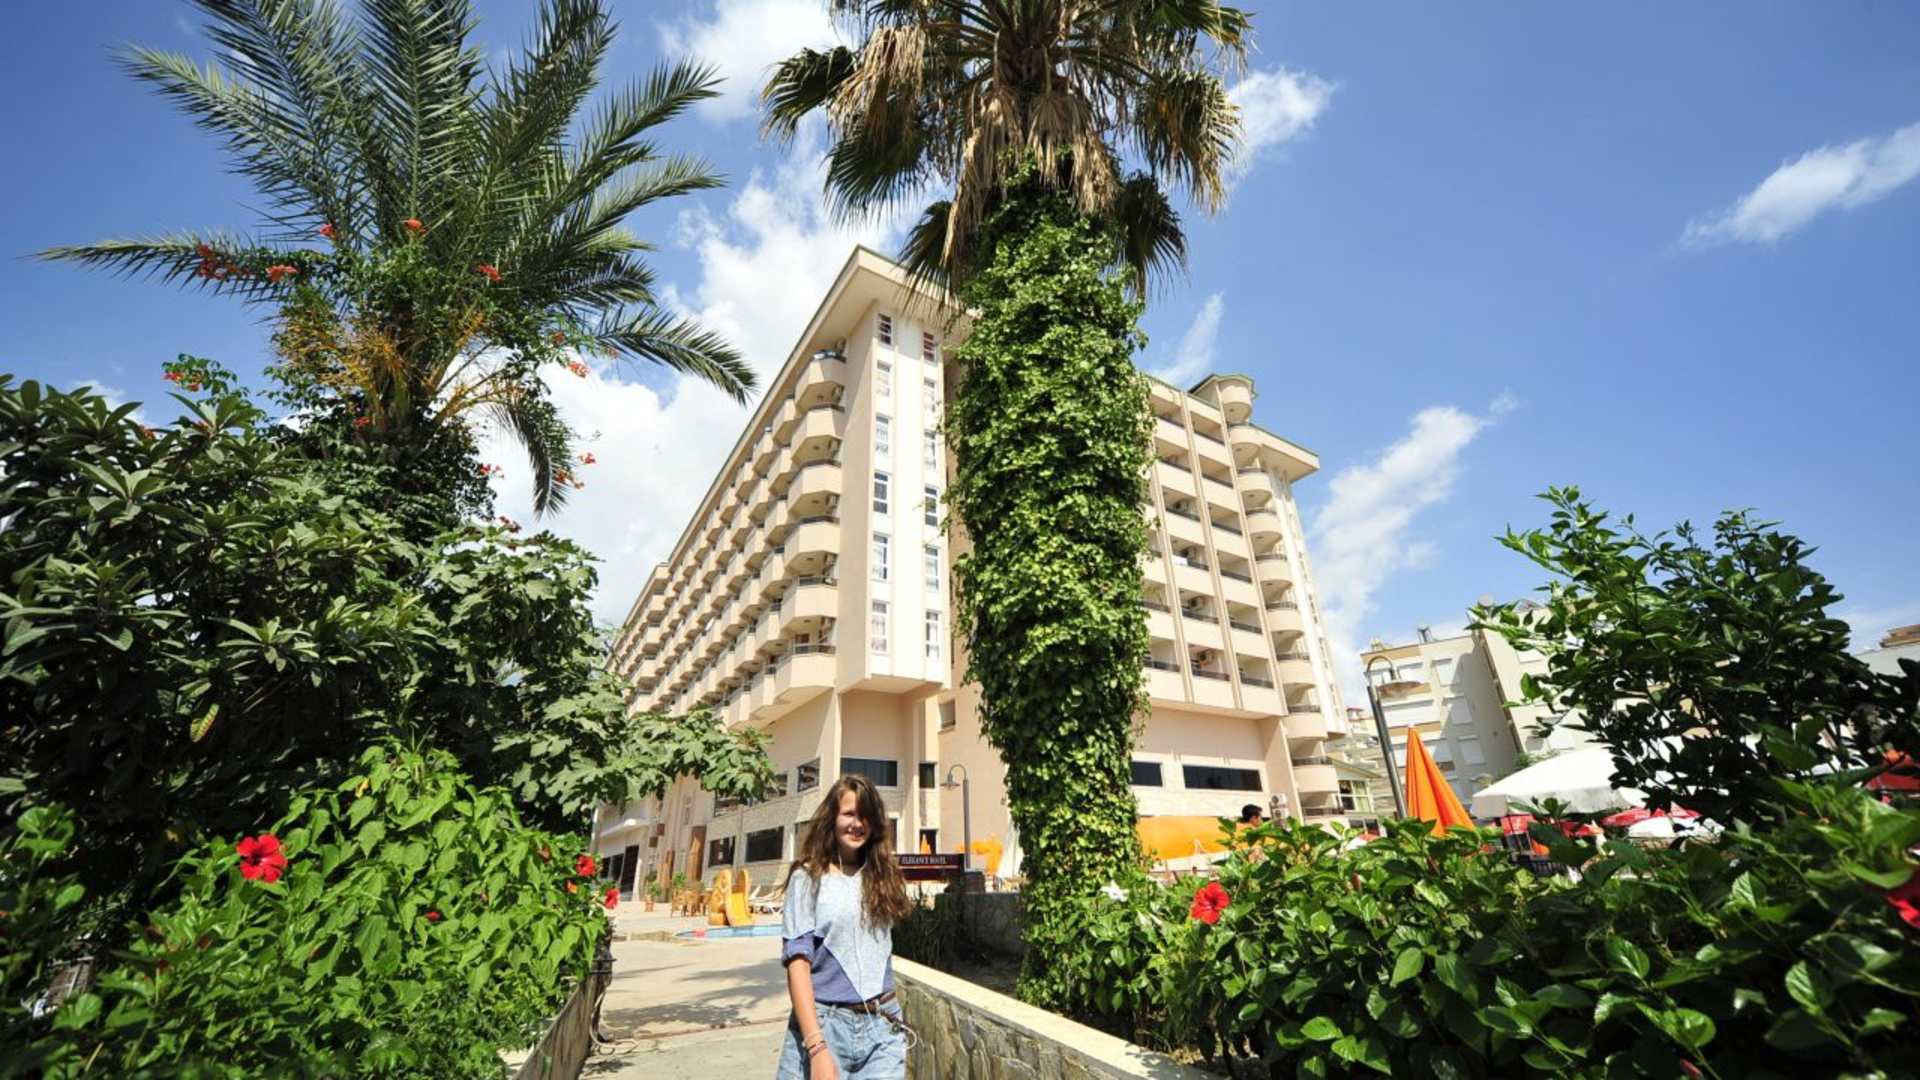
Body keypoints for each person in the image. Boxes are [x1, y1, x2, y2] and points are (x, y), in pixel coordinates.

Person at [777, 774, 915, 1079]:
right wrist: (816, 1047)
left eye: (865, 816)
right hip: (826, 1026)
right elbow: (797, 964)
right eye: (849, 814)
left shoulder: (883, 877)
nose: (857, 824)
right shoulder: (807, 878)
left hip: (883, 1025)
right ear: (832, 818)